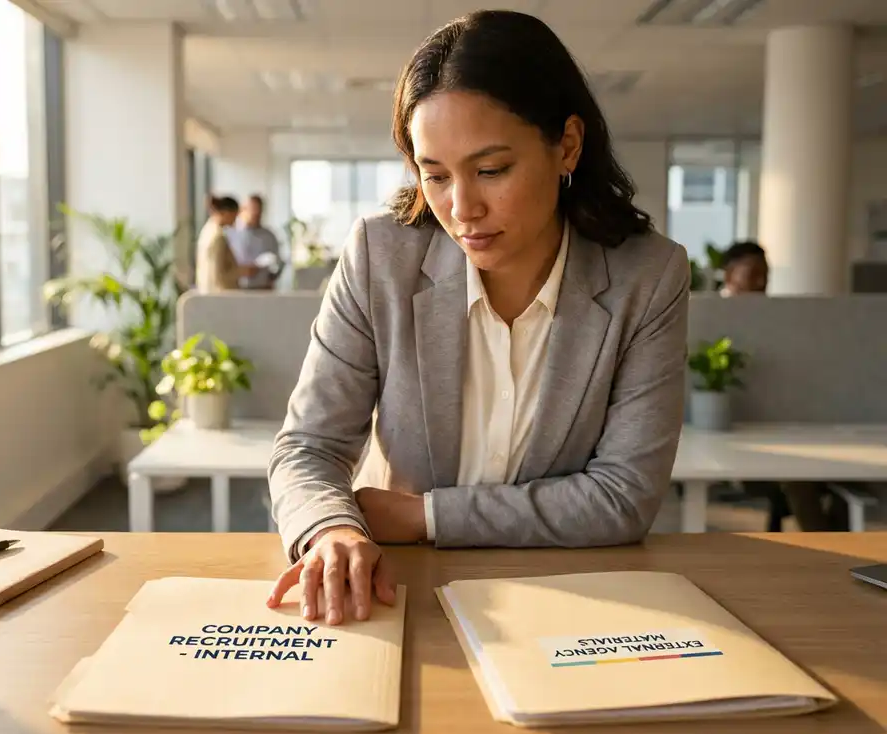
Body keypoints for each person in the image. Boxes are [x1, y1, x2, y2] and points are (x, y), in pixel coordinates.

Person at [266, 10, 690, 625]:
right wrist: (332, 529)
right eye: (434, 175)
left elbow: (622, 497)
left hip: (570, 599)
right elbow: (307, 446)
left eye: (491, 170)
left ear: (567, 145)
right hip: (405, 589)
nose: (462, 208)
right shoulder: (381, 257)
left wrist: (423, 515)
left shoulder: (646, 277)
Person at [717, 242, 848, 532]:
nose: (761, 283)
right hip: (734, 438)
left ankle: (838, 541)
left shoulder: (778, 319)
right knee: (799, 476)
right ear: (728, 275)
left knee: (846, 476)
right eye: (752, 274)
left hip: (787, 429)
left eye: (766, 275)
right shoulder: (711, 318)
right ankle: (828, 544)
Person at [227, 194, 282, 289]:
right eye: (252, 209)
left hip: (262, 288)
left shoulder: (269, 236)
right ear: (242, 210)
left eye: (258, 210)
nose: (255, 213)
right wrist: (242, 271)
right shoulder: (230, 235)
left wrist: (271, 277)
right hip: (237, 288)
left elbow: (278, 263)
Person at [195, 196, 240, 293]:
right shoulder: (218, 237)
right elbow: (217, 273)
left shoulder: (207, 231)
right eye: (234, 216)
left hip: (206, 290)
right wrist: (240, 272)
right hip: (218, 293)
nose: (235, 221)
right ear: (227, 213)